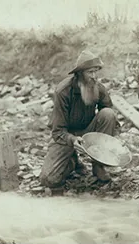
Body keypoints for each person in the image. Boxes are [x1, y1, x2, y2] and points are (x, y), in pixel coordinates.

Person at [38, 50, 119, 195]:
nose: (94, 77)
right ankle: (72, 161)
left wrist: (115, 141)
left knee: (108, 114)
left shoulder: (99, 88)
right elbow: (57, 131)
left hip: (88, 131)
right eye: (90, 72)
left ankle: (98, 166)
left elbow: (109, 117)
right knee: (49, 179)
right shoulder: (63, 91)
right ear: (79, 73)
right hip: (65, 135)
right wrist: (72, 140)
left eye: (96, 72)